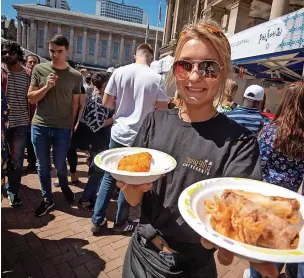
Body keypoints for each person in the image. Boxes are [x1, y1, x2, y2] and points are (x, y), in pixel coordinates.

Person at [115, 21, 277, 278]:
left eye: (208, 67)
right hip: (141, 256)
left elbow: (239, 212)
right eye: (185, 65)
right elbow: (134, 200)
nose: (194, 76)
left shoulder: (239, 143)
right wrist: (131, 186)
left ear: (223, 74)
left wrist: (238, 239)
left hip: (193, 267)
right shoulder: (154, 122)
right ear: (175, 70)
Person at [91, 43, 168, 235]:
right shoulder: (157, 78)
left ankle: (97, 220)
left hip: (118, 132)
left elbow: (106, 102)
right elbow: (163, 110)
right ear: (150, 59)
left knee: (110, 176)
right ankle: (120, 222)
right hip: (140, 136)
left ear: (135, 56)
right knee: (129, 180)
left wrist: (123, 105)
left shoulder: (119, 72)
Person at [245, 81, 304, 278]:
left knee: (262, 249)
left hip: (268, 198)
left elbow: (259, 163)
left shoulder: (271, 130)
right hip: (291, 202)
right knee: (286, 246)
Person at [28, 35, 83, 217]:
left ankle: (65, 185)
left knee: (60, 165)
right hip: (40, 126)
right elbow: (31, 98)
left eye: (59, 51)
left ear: (67, 51)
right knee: (43, 166)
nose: (55, 55)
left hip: (62, 128)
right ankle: (47, 199)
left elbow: (75, 104)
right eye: (52, 51)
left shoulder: (75, 76)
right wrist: (46, 87)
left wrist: (71, 125)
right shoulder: (39, 69)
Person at [1, 41, 34, 207]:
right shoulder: (0, 71)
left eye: (10, 53)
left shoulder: (28, 74)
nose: (6, 55)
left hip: (21, 123)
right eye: (4, 52)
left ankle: (13, 191)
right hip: (2, 125)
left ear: (18, 54)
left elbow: (33, 100)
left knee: (17, 160)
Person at [75, 72, 114, 210]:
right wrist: (115, 118)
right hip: (98, 141)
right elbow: (97, 124)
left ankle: (90, 197)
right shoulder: (97, 99)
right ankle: (85, 199)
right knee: (97, 172)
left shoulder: (99, 96)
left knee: (96, 172)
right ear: (103, 85)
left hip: (98, 141)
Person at [23, 54, 41, 174]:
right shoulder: (21, 77)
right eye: (30, 62)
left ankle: (33, 163)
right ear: (26, 63)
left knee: (33, 142)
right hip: (22, 115)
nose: (32, 64)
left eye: (35, 62)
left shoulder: (41, 78)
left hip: (36, 116)